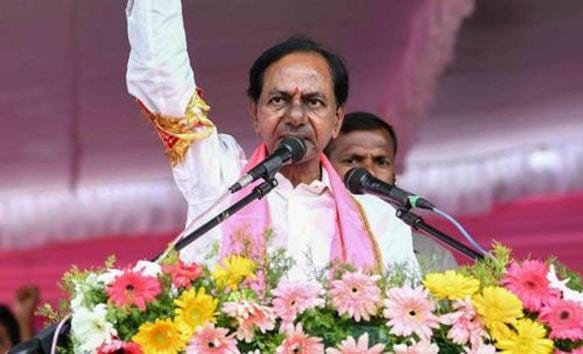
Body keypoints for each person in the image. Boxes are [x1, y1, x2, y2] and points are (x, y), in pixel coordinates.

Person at [125, 0, 419, 278]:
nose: (295, 116)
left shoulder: (378, 220)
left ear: (337, 119)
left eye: (314, 102)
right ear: (255, 113)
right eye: (278, 100)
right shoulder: (220, 181)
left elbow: (406, 316)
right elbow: (163, 83)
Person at [325, 112, 458, 272]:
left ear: (394, 175)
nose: (368, 173)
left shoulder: (431, 255)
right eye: (352, 160)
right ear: (324, 169)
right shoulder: (305, 238)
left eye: (381, 162)